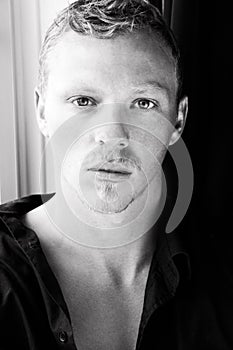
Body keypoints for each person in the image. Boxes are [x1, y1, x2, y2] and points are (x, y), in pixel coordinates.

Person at [1, 1, 227, 349]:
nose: (113, 133)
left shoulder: (220, 272)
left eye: (144, 103)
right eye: (84, 101)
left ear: (177, 121)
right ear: (42, 110)